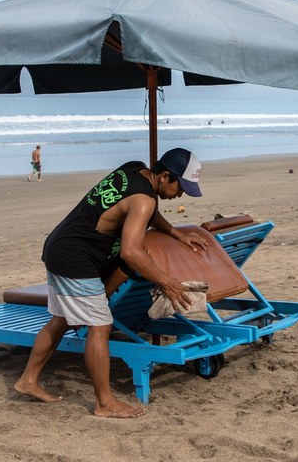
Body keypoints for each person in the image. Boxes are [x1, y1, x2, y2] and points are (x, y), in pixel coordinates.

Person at [14, 148, 207, 418]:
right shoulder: (145, 200)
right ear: (164, 176)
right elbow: (130, 251)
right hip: (75, 257)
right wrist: (167, 281)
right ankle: (104, 403)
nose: (180, 194)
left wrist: (175, 232)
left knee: (62, 318)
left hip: (60, 246)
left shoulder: (135, 168)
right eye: (180, 187)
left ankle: (28, 381)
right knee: (100, 325)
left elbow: (144, 209)